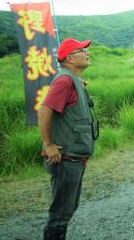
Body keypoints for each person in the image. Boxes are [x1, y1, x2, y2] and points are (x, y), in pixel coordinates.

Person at [38, 38, 99, 240]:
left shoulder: (71, 80)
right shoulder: (64, 80)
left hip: (74, 158)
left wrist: (77, 82)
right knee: (60, 215)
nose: (87, 53)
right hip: (66, 158)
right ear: (70, 58)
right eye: (82, 50)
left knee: (67, 209)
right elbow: (44, 110)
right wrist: (48, 145)